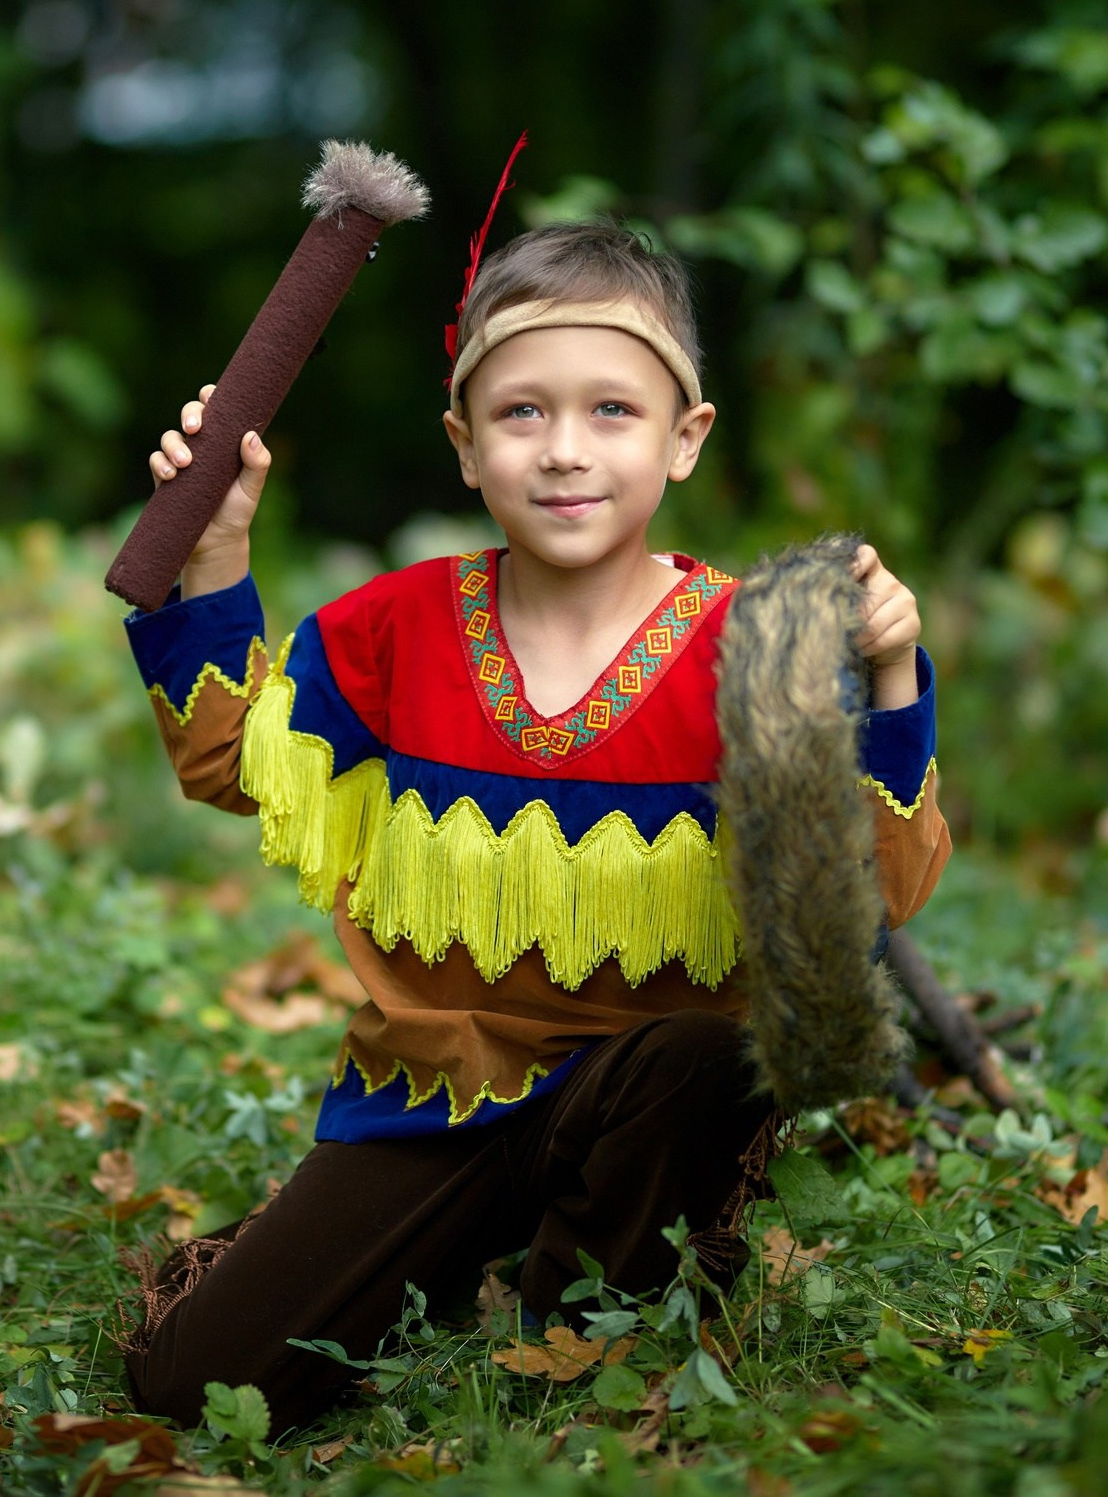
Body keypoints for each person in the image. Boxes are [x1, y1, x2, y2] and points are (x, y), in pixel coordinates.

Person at [115, 219, 952, 1434]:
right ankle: (458, 1233)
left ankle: (586, 1293)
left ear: (686, 439)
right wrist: (220, 544)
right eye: (520, 414)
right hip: (434, 1094)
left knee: (705, 1061)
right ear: (464, 446)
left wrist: (885, 680)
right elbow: (227, 760)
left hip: (646, 1096)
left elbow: (872, 893)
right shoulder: (394, 631)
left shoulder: (754, 649)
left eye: (612, 410)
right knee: (197, 1388)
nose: (564, 451)